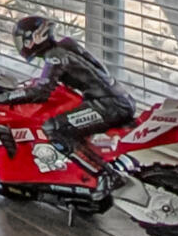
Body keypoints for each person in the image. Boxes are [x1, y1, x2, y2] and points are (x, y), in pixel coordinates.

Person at [12, 12, 135, 150]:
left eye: (24, 41)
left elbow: (41, 91)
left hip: (109, 105)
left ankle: (87, 169)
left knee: (52, 128)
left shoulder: (55, 56)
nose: (22, 46)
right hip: (117, 100)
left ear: (36, 38)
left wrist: (2, 97)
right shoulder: (65, 47)